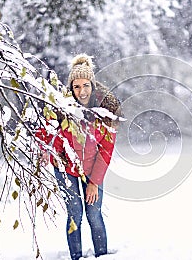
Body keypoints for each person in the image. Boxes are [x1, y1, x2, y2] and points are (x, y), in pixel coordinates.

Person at [36, 54, 121, 259]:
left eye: (85, 85)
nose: (81, 91)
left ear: (92, 85)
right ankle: (76, 256)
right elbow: (46, 135)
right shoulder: (61, 109)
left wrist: (94, 182)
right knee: (75, 213)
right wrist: (48, 152)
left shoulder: (105, 112)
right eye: (76, 87)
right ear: (71, 88)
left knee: (93, 214)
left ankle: (102, 255)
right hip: (66, 169)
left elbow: (106, 151)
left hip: (93, 170)